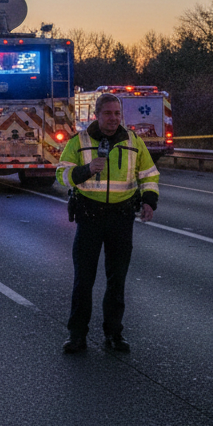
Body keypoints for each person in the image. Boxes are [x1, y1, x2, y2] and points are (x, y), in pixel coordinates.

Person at [57, 93, 159, 354]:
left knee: (117, 280)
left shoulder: (133, 141)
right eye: (108, 114)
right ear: (96, 115)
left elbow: (149, 174)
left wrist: (149, 201)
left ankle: (114, 334)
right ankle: (77, 335)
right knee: (84, 279)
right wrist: (87, 169)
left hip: (121, 219)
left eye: (117, 114)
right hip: (89, 218)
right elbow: (62, 174)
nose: (113, 119)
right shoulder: (79, 142)